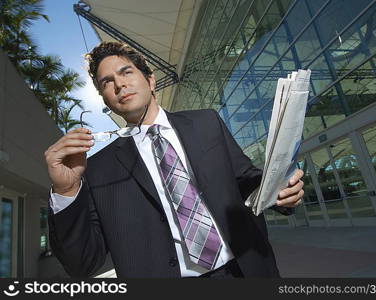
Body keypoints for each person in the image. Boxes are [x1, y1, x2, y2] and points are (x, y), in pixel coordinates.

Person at [44, 41, 304, 278]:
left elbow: (245, 179)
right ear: (105, 99)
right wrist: (66, 191)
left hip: (248, 270)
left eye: (126, 72)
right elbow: (82, 263)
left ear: (151, 80)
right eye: (106, 82)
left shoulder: (207, 123)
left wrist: (277, 189)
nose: (119, 85)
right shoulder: (97, 168)